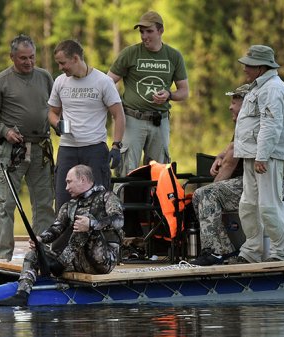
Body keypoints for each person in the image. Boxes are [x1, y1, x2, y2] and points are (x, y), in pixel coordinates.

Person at [0, 165, 124, 306]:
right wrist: (40, 239)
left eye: (69, 182)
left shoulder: (107, 197)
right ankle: (22, 294)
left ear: (83, 179)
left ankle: (58, 265)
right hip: (77, 261)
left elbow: (119, 220)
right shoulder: (69, 205)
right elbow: (56, 229)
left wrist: (92, 224)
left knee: (84, 219)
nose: (66, 187)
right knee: (35, 252)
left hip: (103, 261)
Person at [0, 34, 56, 262]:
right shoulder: (0, 81)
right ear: (12, 57)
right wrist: (5, 131)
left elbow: (55, 107)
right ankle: (4, 257)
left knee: (44, 203)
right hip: (13, 151)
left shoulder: (45, 77)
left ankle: (44, 254)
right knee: (6, 204)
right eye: (23, 58)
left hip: (42, 148)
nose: (28, 62)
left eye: (32, 57)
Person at [107, 11, 188, 177]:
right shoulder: (130, 53)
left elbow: (184, 91)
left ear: (160, 31)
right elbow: (107, 82)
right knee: (127, 170)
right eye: (141, 32)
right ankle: (123, 202)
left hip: (160, 121)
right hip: (132, 120)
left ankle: (157, 203)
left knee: (160, 172)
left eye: (149, 31)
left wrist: (169, 95)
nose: (144, 36)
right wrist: (117, 107)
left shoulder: (173, 56)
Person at [48, 39, 125, 212]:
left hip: (95, 150)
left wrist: (116, 146)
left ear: (75, 58)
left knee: (98, 203)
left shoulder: (103, 81)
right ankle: (63, 239)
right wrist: (57, 124)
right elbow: (52, 112)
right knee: (63, 203)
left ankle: (98, 238)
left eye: (62, 63)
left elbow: (118, 115)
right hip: (67, 149)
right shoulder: (60, 82)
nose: (60, 67)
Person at [233, 45, 284, 263]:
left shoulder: (273, 89)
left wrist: (262, 156)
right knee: (248, 205)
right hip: (253, 156)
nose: (244, 69)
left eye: (248, 65)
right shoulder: (258, 87)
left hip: (267, 157)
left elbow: (271, 124)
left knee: (269, 206)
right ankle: (251, 252)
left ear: (260, 67)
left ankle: (279, 254)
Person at [190, 84, 250, 266]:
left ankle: (216, 252)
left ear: (246, 104)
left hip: (254, 182)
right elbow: (230, 150)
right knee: (198, 195)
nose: (230, 107)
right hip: (245, 182)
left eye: (234, 102)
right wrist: (219, 156)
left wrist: (213, 186)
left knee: (206, 194)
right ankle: (225, 251)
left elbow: (231, 161)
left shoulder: (248, 123)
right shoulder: (243, 124)